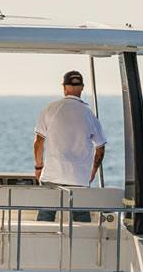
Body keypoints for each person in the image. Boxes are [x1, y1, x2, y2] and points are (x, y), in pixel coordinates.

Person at [33, 69, 106, 221]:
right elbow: (100, 147)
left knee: (45, 218)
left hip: (52, 175)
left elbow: (39, 142)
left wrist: (38, 167)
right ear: (82, 87)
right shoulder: (89, 114)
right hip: (79, 178)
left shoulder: (50, 109)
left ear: (64, 87)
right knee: (82, 222)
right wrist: (93, 170)